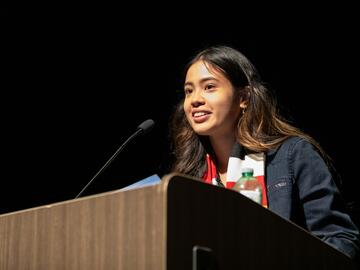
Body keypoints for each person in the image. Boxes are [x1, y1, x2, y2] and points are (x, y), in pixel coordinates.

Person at [168, 45, 359, 264]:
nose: (195, 100)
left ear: (244, 97)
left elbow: (340, 239)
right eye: (188, 91)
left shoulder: (292, 154)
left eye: (209, 87)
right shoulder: (186, 178)